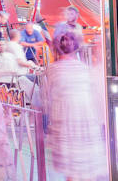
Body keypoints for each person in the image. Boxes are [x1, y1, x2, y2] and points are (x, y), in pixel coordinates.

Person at [44, 31, 106, 180]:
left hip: (65, 123)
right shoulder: (84, 69)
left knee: (71, 169)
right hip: (85, 120)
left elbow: (47, 99)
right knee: (86, 167)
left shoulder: (52, 70)